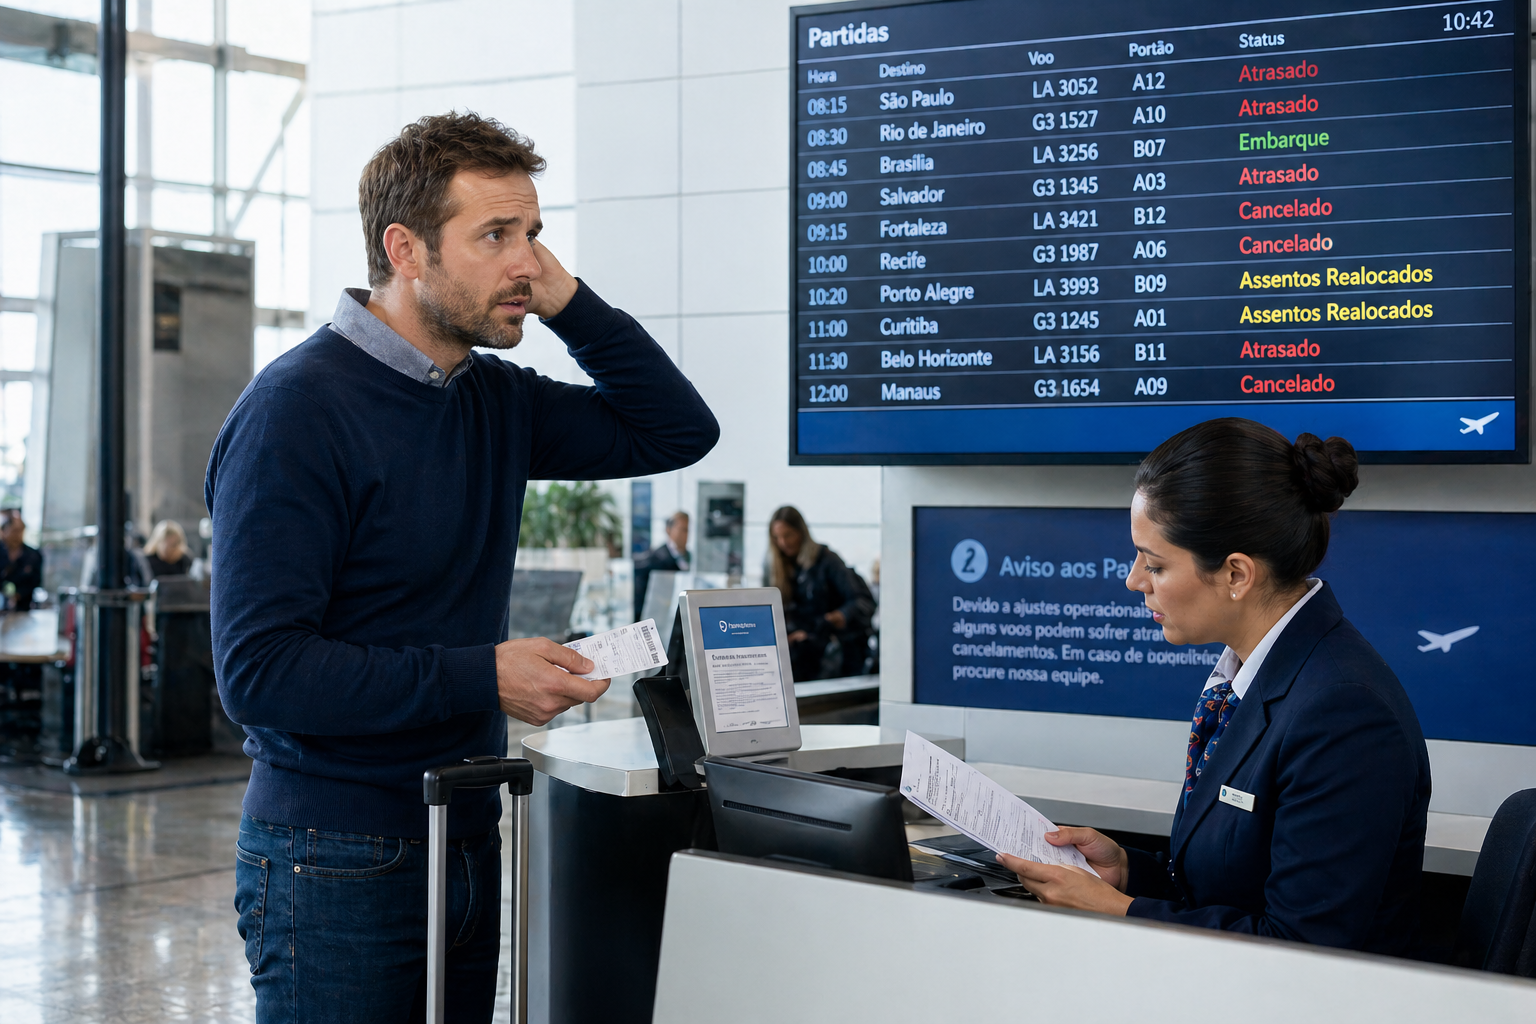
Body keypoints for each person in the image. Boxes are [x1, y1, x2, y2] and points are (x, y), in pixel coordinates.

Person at [206, 113, 718, 1023]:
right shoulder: (295, 411)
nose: (526, 262)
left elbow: (675, 429)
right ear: (405, 249)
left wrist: (572, 305)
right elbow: (261, 673)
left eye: (534, 235)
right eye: (495, 236)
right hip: (333, 853)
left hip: (464, 830)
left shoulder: (492, 397)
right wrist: (482, 673)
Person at [998, 419, 1432, 955]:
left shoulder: (1344, 711)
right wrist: (1128, 873)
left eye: (1154, 564)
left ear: (1236, 575)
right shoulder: (1251, 679)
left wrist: (1115, 912)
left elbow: (1303, 948)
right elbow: (1227, 888)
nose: (1134, 581)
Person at [767, 506, 874, 680]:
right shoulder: (777, 569)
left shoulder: (827, 561)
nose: (783, 543)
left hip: (830, 655)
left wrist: (835, 619)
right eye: (777, 537)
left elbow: (861, 601)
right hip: (797, 655)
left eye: (788, 535)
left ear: (801, 532)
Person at [632, 510, 689, 620]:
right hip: (657, 619)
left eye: (687, 530)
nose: (686, 535)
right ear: (669, 530)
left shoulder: (687, 557)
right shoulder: (655, 558)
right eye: (682, 529)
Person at [0, 510, 42, 611]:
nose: (17, 535)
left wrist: (18, 595)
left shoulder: (34, 555)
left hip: (23, 610)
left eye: (21, 530)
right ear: (4, 531)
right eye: (14, 530)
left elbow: (36, 581)